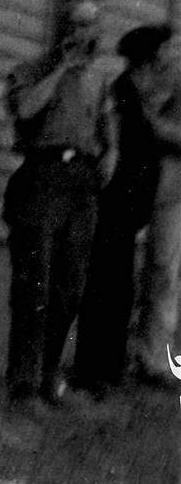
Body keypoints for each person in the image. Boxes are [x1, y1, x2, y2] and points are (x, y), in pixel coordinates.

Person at [2, 0, 117, 408]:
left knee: (69, 289)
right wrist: (61, 69)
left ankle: (49, 379)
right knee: (35, 285)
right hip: (41, 178)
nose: (85, 34)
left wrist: (108, 158)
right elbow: (25, 110)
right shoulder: (30, 70)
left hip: (81, 185)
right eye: (78, 25)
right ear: (62, 28)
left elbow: (106, 129)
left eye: (92, 25)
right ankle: (23, 385)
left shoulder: (98, 79)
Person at [72, 25, 172, 397]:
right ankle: (92, 371)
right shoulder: (123, 96)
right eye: (159, 56)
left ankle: (108, 369)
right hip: (114, 208)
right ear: (146, 61)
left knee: (118, 288)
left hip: (127, 212)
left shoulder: (138, 99)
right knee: (105, 288)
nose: (163, 63)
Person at [130, 28, 181, 389]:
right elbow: (147, 118)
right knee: (163, 272)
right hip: (173, 188)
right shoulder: (174, 73)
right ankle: (153, 360)